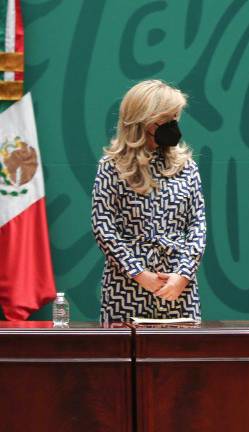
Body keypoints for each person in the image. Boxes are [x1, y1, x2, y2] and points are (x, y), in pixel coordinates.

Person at [92, 80, 207, 323]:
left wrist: (183, 275)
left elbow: (197, 225)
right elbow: (104, 227)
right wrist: (139, 274)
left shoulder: (187, 167)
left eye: (175, 117)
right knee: (124, 358)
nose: (173, 125)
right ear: (141, 121)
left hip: (177, 287)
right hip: (125, 287)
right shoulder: (111, 168)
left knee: (181, 358)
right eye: (165, 119)